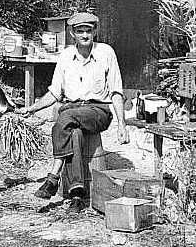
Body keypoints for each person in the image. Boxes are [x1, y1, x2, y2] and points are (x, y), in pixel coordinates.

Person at [16, 12, 129, 213]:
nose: (85, 35)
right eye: (80, 31)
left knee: (64, 117)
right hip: (72, 110)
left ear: (95, 32)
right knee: (73, 131)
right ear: (72, 33)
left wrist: (122, 125)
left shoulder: (106, 52)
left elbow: (116, 91)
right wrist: (31, 109)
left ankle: (53, 176)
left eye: (88, 31)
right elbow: (54, 92)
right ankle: (77, 193)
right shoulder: (66, 56)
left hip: (98, 111)